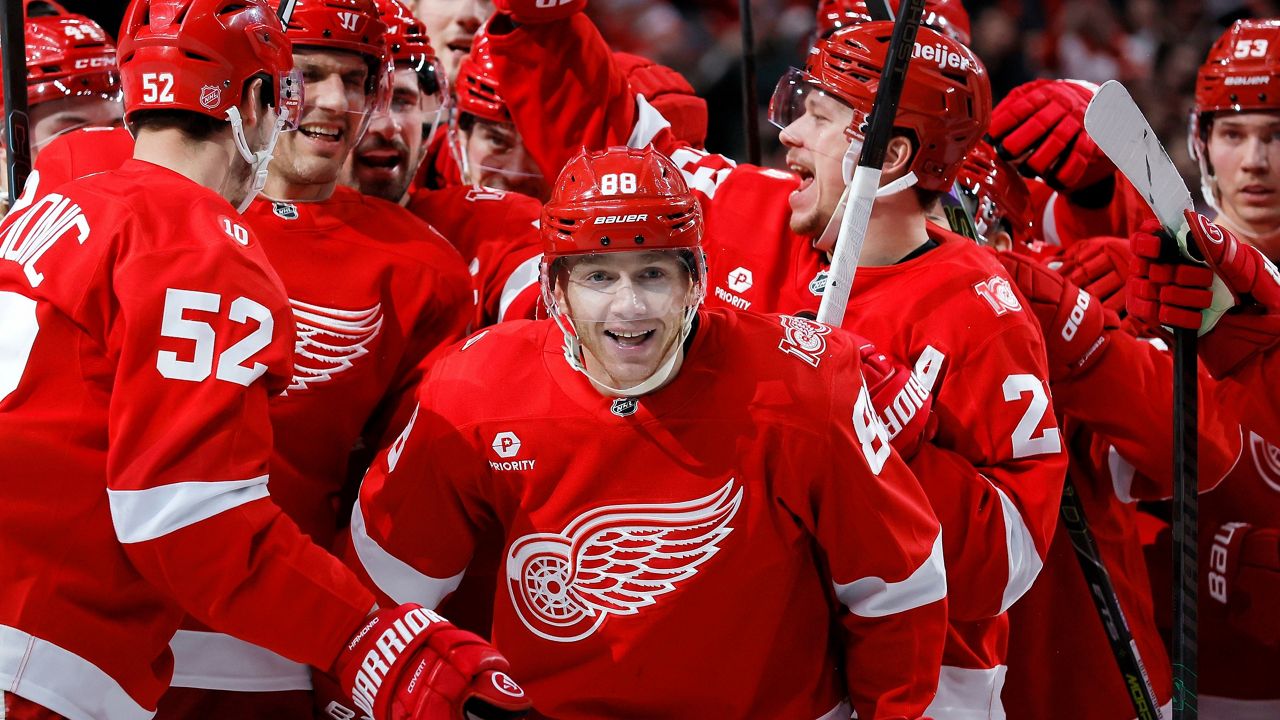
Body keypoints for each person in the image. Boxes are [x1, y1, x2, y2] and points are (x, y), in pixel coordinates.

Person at [0, 1, 527, 719]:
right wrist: (376, 640)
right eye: (298, 83)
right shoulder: (196, 240)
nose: (328, 105)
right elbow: (186, 514)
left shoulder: (59, 198)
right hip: (48, 650)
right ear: (255, 99)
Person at [345, 145, 949, 719]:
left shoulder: (804, 386)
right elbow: (385, 589)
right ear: (555, 289)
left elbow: (898, 592)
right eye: (599, 276)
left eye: (653, 273)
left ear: (695, 280)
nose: (628, 308)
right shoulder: (476, 387)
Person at [151, 1, 474, 717]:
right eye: (310, 73)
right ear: (259, 82)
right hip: (115, 624)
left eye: (358, 80)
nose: (336, 101)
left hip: (281, 644)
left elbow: (401, 492)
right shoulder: (156, 210)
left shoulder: (425, 267)